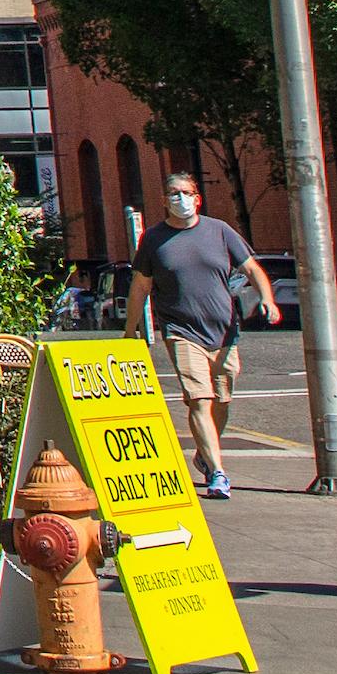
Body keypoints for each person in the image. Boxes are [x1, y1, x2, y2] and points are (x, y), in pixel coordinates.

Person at [125, 175, 277, 498]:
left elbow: (252, 269)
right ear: (164, 200)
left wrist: (267, 299)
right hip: (180, 331)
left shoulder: (219, 231)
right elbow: (140, 287)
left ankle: (205, 454)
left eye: (186, 193)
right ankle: (218, 474)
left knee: (222, 400)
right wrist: (131, 331)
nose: (180, 199)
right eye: (173, 194)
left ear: (198, 198)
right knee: (199, 399)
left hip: (223, 332)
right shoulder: (153, 239)